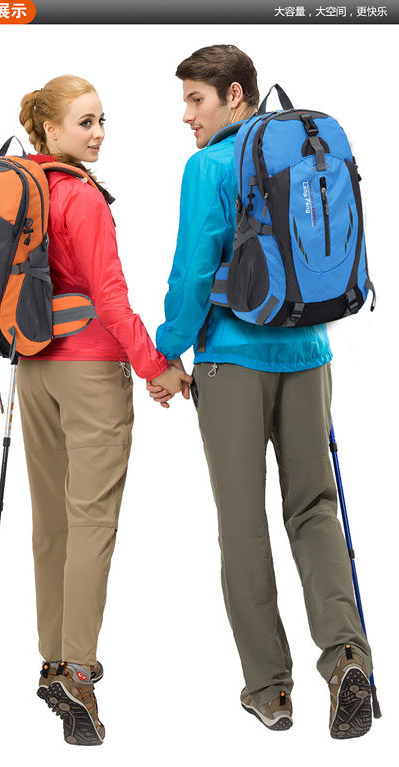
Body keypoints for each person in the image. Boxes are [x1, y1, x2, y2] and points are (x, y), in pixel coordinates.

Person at [147, 45, 373, 738]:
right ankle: (347, 660)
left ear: (236, 95)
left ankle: (271, 689)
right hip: (309, 354)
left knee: (243, 525)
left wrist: (165, 351)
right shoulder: (302, 152)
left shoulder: (209, 166)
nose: (186, 115)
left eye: (196, 99)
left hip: (232, 363)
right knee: (315, 509)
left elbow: (192, 273)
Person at [15, 74, 192, 747]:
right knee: (91, 523)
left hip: (33, 370)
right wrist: (156, 366)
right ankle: (78, 672)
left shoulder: (25, 189)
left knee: (52, 523)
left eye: (101, 120)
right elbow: (112, 300)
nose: (98, 134)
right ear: (50, 129)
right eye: (84, 122)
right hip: (89, 373)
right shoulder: (81, 196)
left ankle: (52, 658)